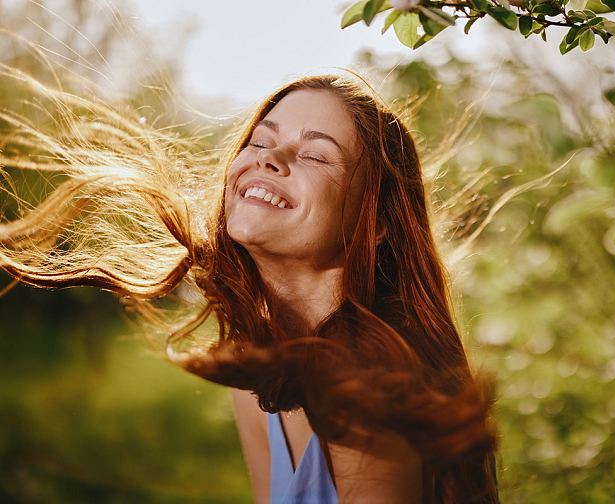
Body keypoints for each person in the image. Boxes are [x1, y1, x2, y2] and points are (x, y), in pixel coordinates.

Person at [0, 73, 498, 503]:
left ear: (377, 220)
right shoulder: (259, 362)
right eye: (259, 142)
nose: (270, 159)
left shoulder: (366, 385)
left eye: (315, 156)